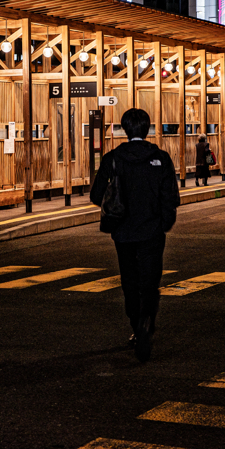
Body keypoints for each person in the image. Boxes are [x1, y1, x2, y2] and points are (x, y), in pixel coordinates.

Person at [90, 108, 179, 362]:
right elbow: (171, 196)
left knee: (129, 280)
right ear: (147, 128)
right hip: (152, 231)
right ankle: (147, 320)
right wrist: (164, 222)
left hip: (123, 232)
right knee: (150, 281)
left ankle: (135, 325)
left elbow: (96, 195)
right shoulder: (161, 158)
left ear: (125, 129)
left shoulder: (113, 158)